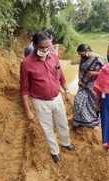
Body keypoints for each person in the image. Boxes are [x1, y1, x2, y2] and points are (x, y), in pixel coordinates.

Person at [20, 31, 75, 163]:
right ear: (34, 45)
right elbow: (24, 89)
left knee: (62, 123)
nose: (45, 50)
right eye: (42, 47)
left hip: (57, 98)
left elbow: (60, 74)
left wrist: (66, 90)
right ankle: (54, 151)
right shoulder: (26, 64)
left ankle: (65, 142)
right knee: (47, 128)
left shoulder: (54, 57)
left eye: (48, 47)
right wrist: (28, 111)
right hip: (40, 102)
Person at [72, 44, 105, 130]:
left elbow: (106, 73)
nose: (81, 56)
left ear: (88, 51)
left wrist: (94, 73)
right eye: (80, 54)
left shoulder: (99, 59)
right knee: (78, 101)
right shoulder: (83, 58)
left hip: (94, 85)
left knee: (93, 104)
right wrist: (80, 80)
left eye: (82, 54)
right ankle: (80, 121)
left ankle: (93, 122)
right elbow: (81, 70)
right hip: (83, 84)